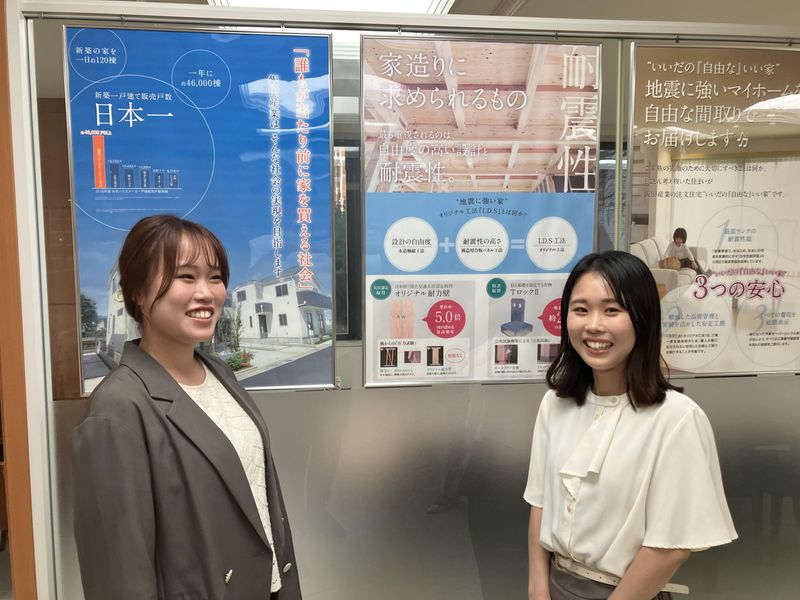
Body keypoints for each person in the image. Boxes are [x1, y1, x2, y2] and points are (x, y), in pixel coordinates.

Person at [72, 215, 301, 600]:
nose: (206, 293)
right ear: (139, 292)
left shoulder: (219, 372)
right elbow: (118, 573)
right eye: (186, 277)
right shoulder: (117, 409)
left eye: (215, 277)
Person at [525, 251, 736, 600]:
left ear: (642, 318)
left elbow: (670, 548)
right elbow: (540, 502)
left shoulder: (677, 418)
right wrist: (537, 591)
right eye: (581, 309)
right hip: (555, 585)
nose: (594, 325)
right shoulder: (555, 403)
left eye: (612, 310)